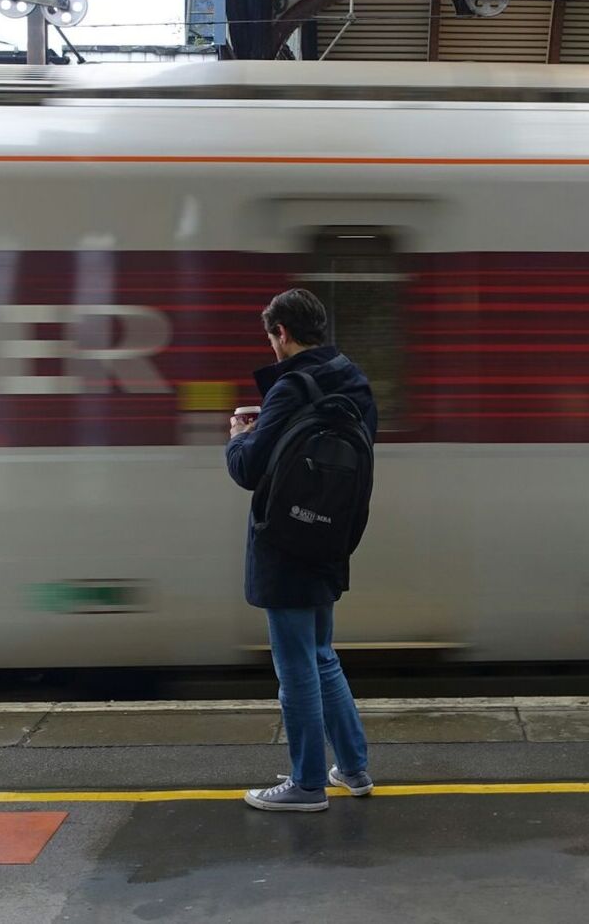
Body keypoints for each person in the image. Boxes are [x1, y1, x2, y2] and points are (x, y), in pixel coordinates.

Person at [225, 288, 378, 812]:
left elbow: (248, 469)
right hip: (330, 535)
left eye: (271, 337)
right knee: (321, 654)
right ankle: (353, 769)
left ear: (282, 334)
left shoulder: (291, 388)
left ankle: (307, 783)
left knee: (295, 668)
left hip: (286, 542)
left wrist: (239, 435)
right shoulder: (351, 378)